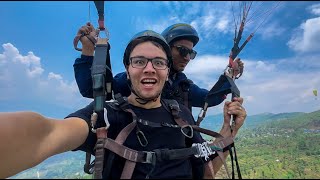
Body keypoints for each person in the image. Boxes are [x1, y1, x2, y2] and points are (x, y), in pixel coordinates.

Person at [0, 30, 247, 179]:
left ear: (165, 69)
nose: (149, 68)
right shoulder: (108, 116)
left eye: (158, 63)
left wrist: (229, 131)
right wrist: (89, 54)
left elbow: (205, 170)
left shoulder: (182, 112)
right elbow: (46, 133)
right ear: (127, 71)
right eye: (139, 61)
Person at [73, 22, 244, 112]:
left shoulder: (183, 87)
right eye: (183, 50)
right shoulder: (137, 80)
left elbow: (210, 99)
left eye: (191, 53)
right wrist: (89, 49)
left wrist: (229, 76)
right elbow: (92, 90)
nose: (187, 57)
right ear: (165, 50)